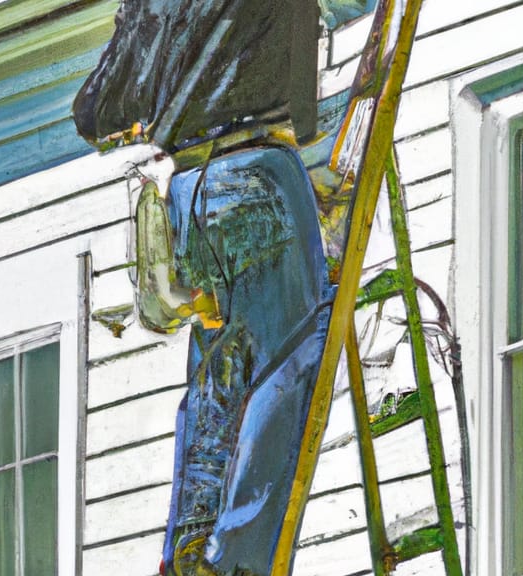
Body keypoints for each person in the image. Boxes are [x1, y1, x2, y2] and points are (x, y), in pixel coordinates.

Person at [72, 0, 365, 573]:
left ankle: (191, 544)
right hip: (259, 174)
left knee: (218, 379)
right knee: (295, 359)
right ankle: (235, 560)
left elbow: (95, 112)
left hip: (189, 199)